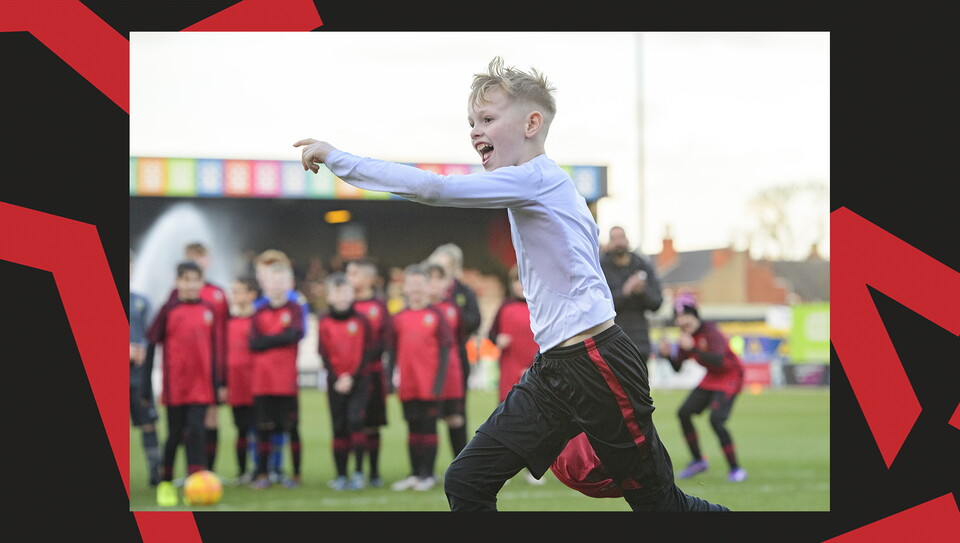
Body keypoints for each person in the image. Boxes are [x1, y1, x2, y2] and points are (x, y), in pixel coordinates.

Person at [294, 56, 728, 512]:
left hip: (598, 362)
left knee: (664, 510)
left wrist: (337, 158)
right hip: (556, 368)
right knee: (466, 481)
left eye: (487, 118)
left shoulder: (537, 181)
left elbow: (434, 189)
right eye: (471, 122)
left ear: (531, 123)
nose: (474, 131)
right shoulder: (541, 188)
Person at [147, 261, 222, 506]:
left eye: (195, 280)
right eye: (186, 280)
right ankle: (166, 482)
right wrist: (147, 382)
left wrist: (218, 383)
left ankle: (195, 483)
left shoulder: (208, 309)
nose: (190, 285)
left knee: (198, 433)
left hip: (201, 387)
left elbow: (215, 351)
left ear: (202, 282)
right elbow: (151, 343)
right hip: (175, 387)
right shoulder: (168, 310)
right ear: (177, 282)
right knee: (174, 435)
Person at [657, 291, 747, 482]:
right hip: (712, 377)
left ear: (695, 315)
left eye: (686, 316)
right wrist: (667, 355)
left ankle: (735, 469)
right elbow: (678, 368)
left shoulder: (710, 332)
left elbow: (719, 361)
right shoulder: (685, 337)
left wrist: (693, 349)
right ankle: (698, 461)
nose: (682, 321)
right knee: (683, 413)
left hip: (730, 375)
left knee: (716, 420)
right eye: (678, 317)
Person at [387, 264, 455, 492]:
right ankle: (415, 473)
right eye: (411, 285)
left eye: (420, 285)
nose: (415, 290)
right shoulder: (399, 318)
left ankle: (427, 474)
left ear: (427, 287)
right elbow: (392, 351)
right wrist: (389, 380)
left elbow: (446, 350)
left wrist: (438, 383)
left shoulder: (436, 315)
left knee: (428, 428)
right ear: (404, 287)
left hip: (430, 386)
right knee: (412, 428)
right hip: (408, 385)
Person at [169, 242, 230, 473]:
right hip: (184, 376)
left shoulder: (218, 294)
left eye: (200, 257)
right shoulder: (176, 296)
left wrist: (223, 379)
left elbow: (223, 336)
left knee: (211, 419)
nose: (196, 261)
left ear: (208, 261)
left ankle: (209, 473)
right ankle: (192, 472)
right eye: (191, 257)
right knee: (187, 426)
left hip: (211, 370)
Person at [248, 255, 306, 489]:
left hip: (286, 382)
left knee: (291, 428)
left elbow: (294, 334)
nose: (278, 285)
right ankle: (262, 474)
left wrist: (268, 340)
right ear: (265, 284)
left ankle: (295, 475)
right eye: (274, 280)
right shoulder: (258, 311)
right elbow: (253, 343)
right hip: (262, 382)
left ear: (290, 284)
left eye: (283, 280)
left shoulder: (294, 309)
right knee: (264, 429)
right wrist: (280, 338)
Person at [316, 272, 375, 491]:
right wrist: (337, 377)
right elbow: (323, 353)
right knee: (338, 426)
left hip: (358, 381)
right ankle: (341, 475)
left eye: (345, 292)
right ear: (329, 297)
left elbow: (367, 351)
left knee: (356, 422)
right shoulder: (324, 322)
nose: (341, 297)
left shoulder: (361, 321)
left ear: (352, 295)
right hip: (335, 382)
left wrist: (352, 377)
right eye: (336, 293)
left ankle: (359, 472)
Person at [486, 265, 543, 485]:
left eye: (524, 280)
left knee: (535, 421)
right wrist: (496, 340)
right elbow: (491, 334)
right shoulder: (505, 307)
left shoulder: (540, 305)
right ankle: (502, 468)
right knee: (505, 421)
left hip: (536, 371)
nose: (520, 285)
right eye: (516, 281)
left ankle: (533, 470)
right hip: (509, 371)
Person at [345, 258, 393, 487]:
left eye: (354, 273)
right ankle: (352, 472)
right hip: (348, 375)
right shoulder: (345, 306)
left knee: (372, 423)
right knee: (351, 423)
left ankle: (373, 472)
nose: (349, 278)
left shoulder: (378, 306)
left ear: (367, 278)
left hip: (372, 373)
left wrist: (364, 358)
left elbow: (385, 340)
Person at [427, 244, 480, 413]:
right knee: (429, 410)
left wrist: (451, 308)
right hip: (428, 356)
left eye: (446, 265)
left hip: (456, 355)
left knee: (456, 413)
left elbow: (475, 321)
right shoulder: (424, 295)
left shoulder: (464, 292)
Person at [600, 226, 663, 363]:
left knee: (640, 383)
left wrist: (642, 291)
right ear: (609, 243)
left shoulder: (641, 264)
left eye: (621, 237)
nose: (618, 243)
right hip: (612, 341)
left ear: (627, 240)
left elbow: (657, 302)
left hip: (639, 341)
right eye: (614, 239)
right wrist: (625, 291)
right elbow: (598, 304)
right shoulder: (602, 268)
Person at [425, 262, 468, 460]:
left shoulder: (453, 309)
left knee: (455, 418)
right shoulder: (419, 310)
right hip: (426, 373)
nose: (433, 283)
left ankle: (461, 467)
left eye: (438, 278)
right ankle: (425, 472)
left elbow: (459, 340)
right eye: (429, 278)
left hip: (450, 372)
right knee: (427, 420)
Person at [130, 250, 162, 487]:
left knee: (148, 421)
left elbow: (152, 337)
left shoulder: (141, 302)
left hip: (139, 376)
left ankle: (156, 471)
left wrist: (142, 349)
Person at [225, 276, 260, 485]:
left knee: (258, 427)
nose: (234, 295)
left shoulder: (258, 321)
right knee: (240, 428)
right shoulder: (229, 321)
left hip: (255, 384)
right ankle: (241, 471)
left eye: (238, 291)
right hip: (235, 384)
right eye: (233, 291)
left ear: (251, 295)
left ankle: (259, 470)